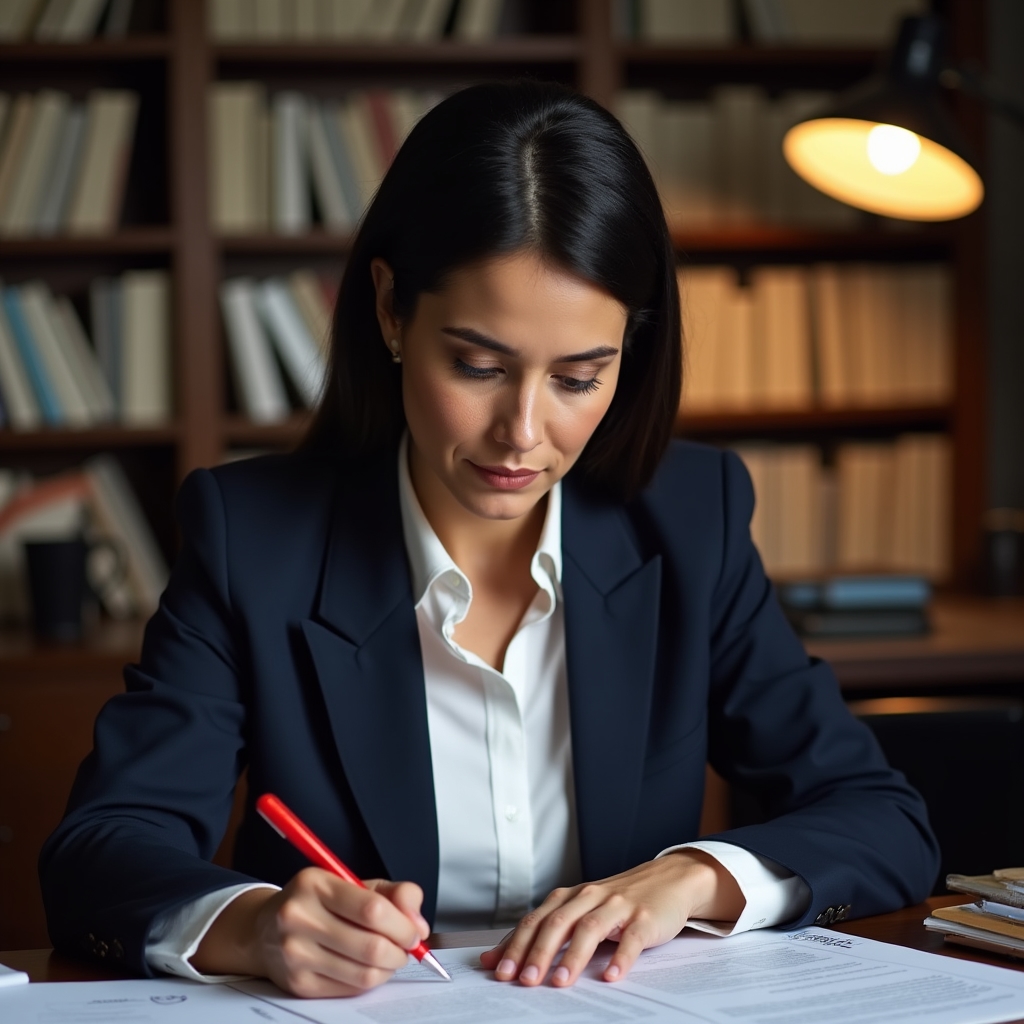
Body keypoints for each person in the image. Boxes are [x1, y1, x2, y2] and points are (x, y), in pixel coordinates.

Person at [40, 80, 939, 999]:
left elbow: (880, 818)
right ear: (391, 311)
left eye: (579, 378)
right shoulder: (254, 540)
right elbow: (103, 851)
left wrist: (694, 879)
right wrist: (256, 925)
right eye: (478, 365)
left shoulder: (689, 518)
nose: (523, 431)